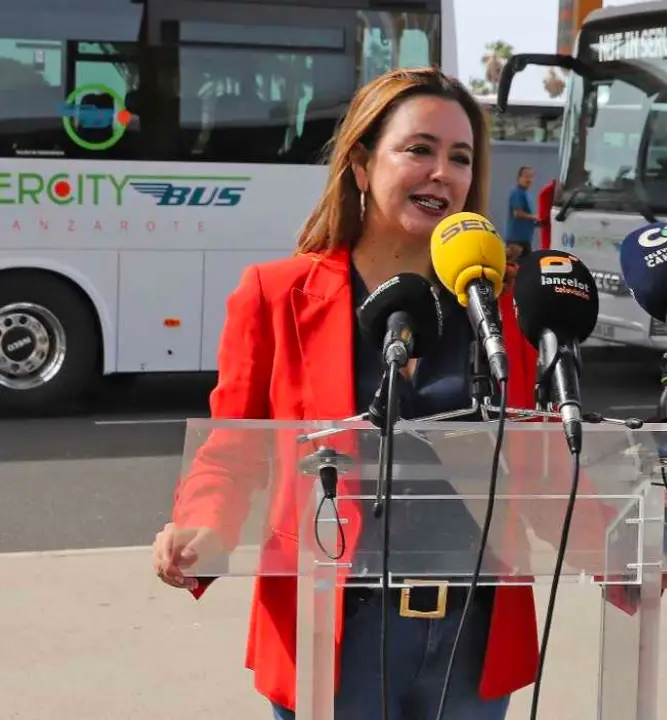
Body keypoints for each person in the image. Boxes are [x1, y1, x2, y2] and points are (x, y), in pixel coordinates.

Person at [150, 67, 546, 719]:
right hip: (334, 630)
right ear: (361, 164)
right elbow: (230, 454)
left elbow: (545, 462)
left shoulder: (500, 308)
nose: (442, 173)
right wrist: (203, 531)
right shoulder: (276, 294)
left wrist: (659, 543)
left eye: (460, 158)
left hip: (472, 641)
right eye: (419, 149)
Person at [505, 166, 539, 260]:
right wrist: (534, 217)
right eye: (526, 176)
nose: (529, 179)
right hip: (516, 240)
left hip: (525, 239)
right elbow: (517, 214)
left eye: (531, 177)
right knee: (515, 269)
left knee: (527, 268)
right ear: (519, 178)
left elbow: (530, 217)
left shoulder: (527, 194)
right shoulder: (516, 192)